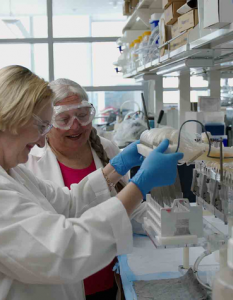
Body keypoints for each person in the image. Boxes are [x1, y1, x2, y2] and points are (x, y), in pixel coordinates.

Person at [0, 65, 183, 300]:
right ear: (11, 117)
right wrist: (139, 186)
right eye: (41, 126)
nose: (42, 141)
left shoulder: (5, 169)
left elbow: (69, 203)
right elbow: (64, 251)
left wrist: (115, 169)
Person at [25, 78, 147, 299]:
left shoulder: (106, 148)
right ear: (47, 122)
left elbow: (128, 208)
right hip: (64, 284)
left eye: (82, 115)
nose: (76, 126)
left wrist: (167, 221)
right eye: (63, 119)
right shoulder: (29, 162)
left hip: (109, 275)